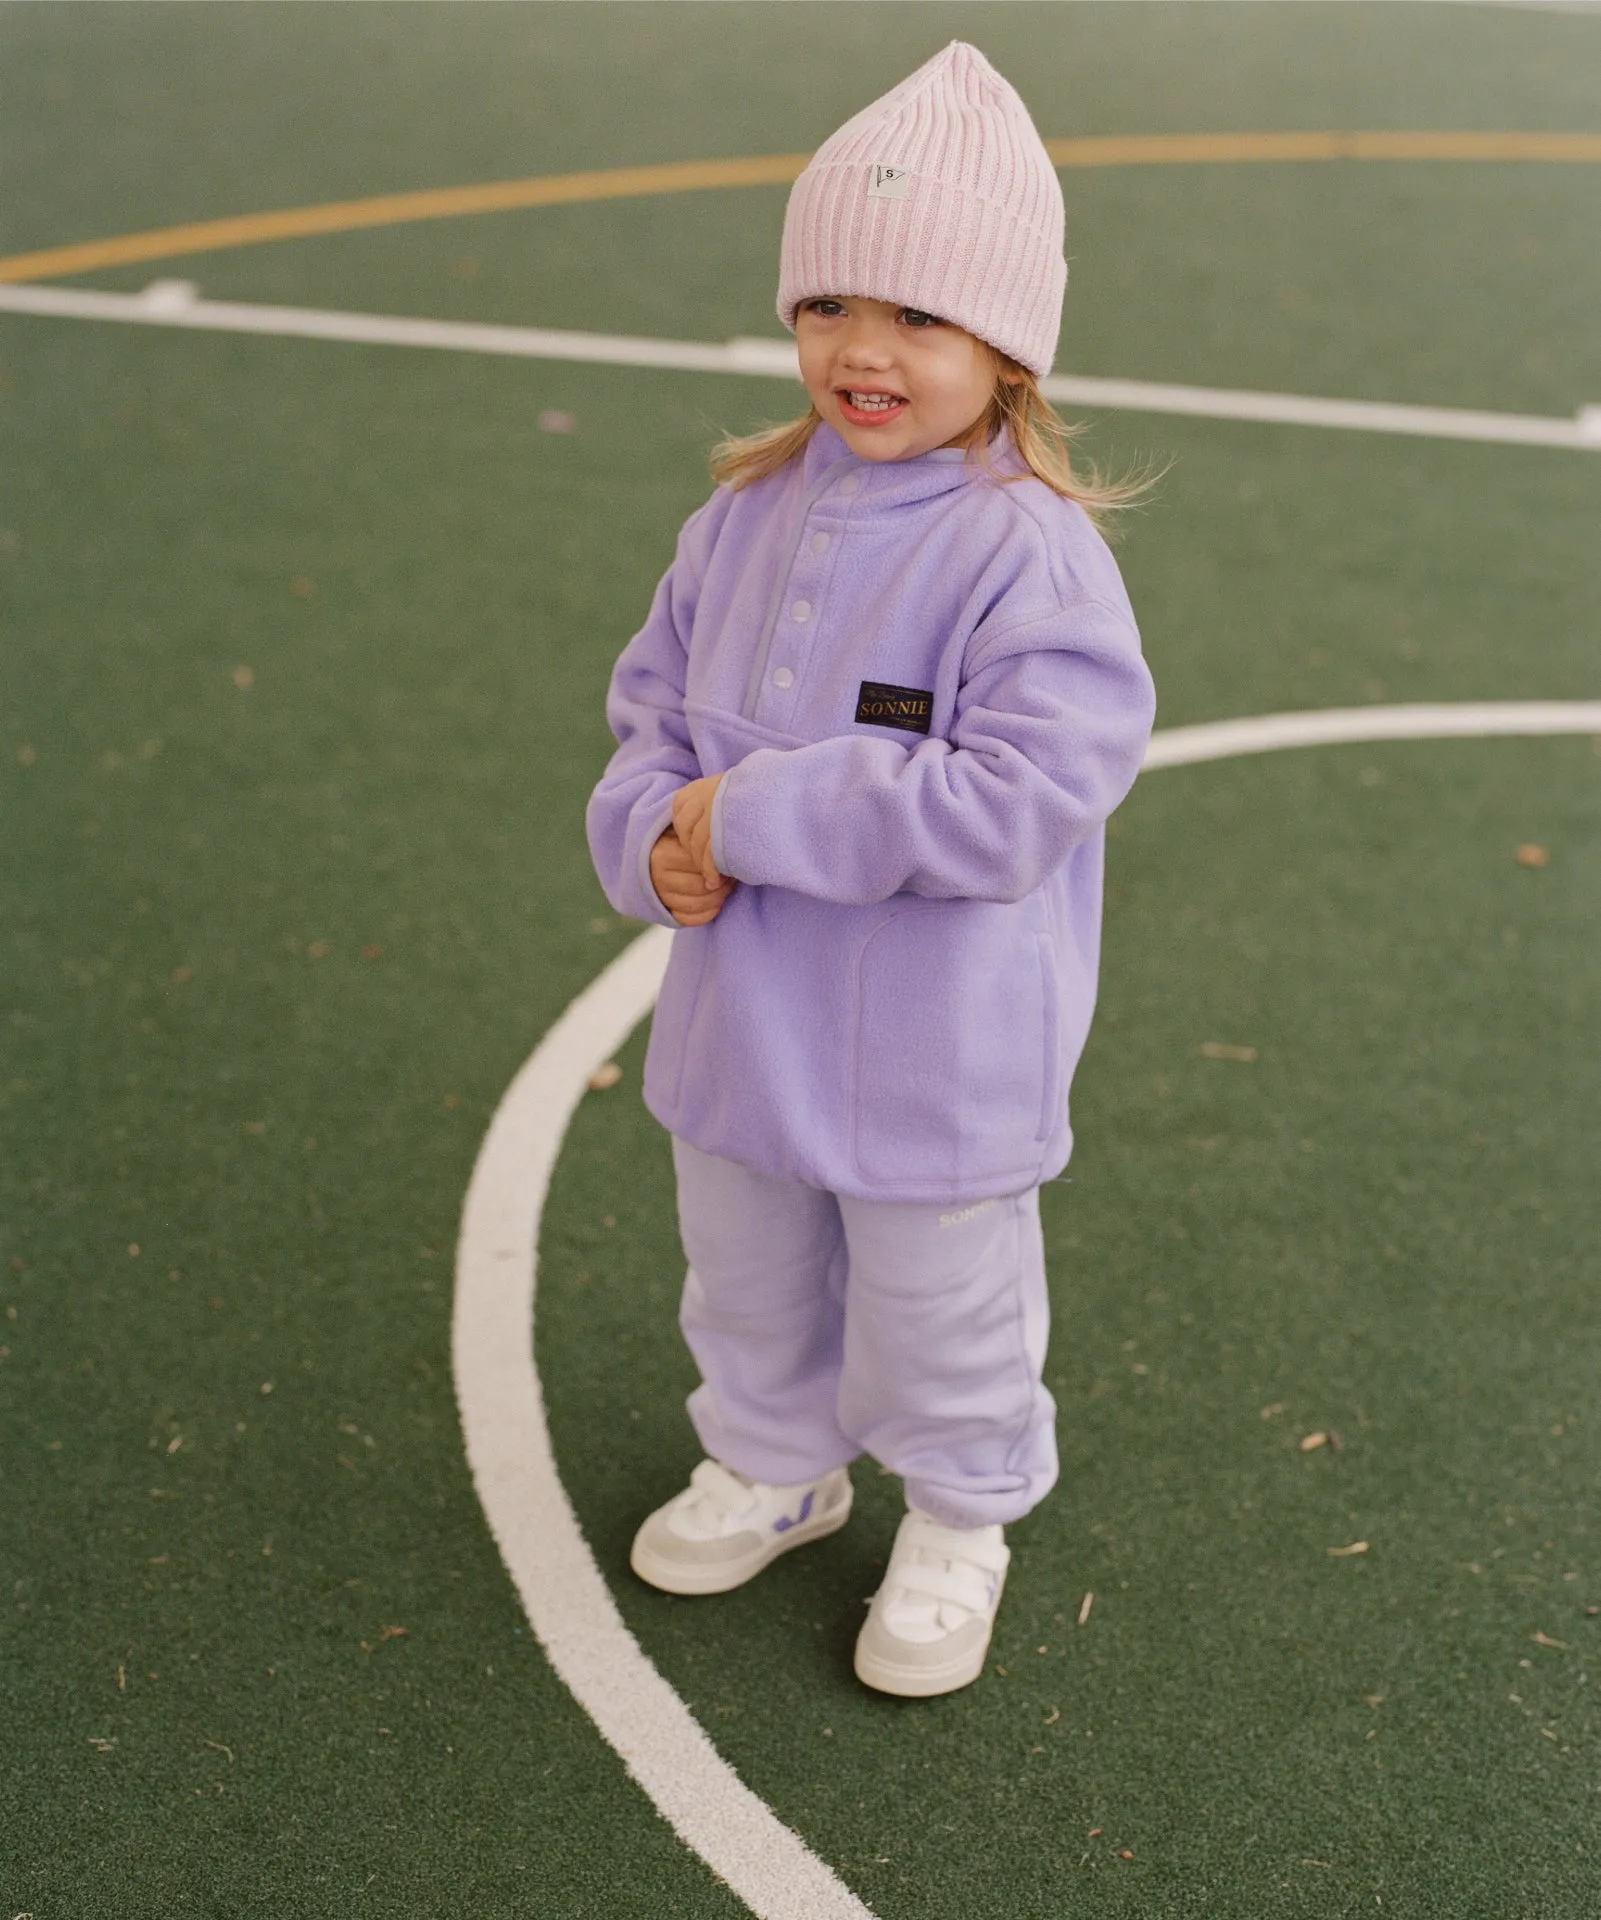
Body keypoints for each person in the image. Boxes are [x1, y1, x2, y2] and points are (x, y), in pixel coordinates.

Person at [586, 41, 1156, 1698]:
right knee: (747, 1270)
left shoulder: (1024, 551)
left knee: (937, 1295)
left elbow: (1021, 796)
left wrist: (751, 817)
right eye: (828, 303)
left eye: (917, 317)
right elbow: (650, 718)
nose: (863, 350)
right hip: (741, 1026)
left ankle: (962, 1509)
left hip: (938, 1053)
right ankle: (776, 1458)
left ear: (1006, 346)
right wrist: (650, 835)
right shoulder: (745, 515)